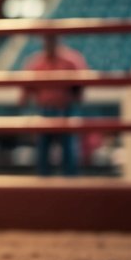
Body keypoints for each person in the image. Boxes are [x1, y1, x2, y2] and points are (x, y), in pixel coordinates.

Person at [20, 35, 88, 176]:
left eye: (52, 40)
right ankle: (44, 184)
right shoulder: (36, 62)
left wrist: (75, 98)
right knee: (43, 150)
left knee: (68, 149)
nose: (49, 43)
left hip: (65, 109)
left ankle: (70, 183)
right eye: (47, 40)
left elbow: (80, 86)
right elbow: (26, 88)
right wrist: (24, 100)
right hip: (45, 110)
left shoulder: (70, 60)